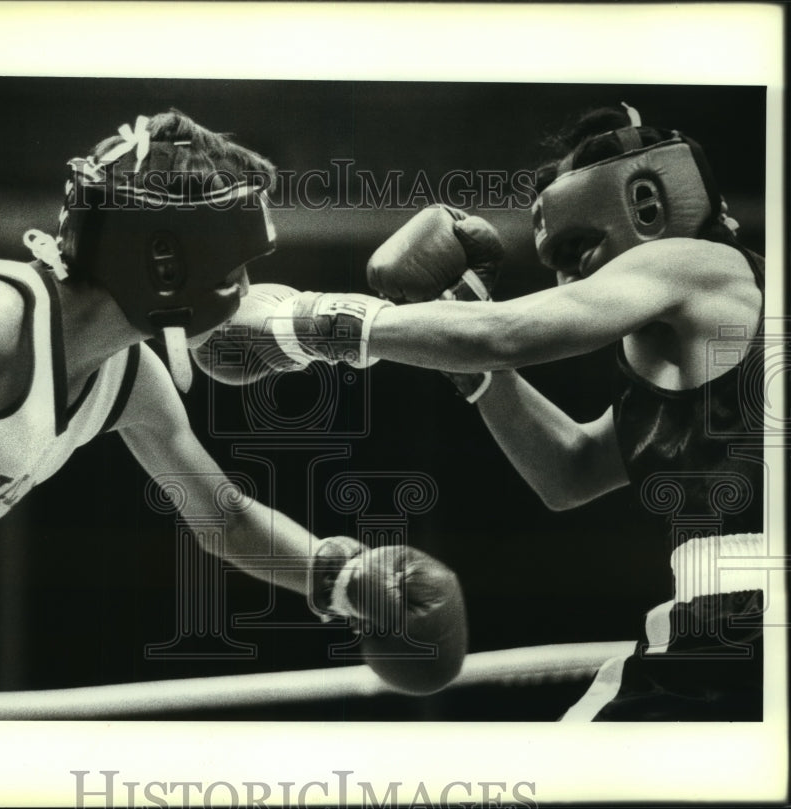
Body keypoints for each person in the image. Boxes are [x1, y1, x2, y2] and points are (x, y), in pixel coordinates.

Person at [0, 111, 467, 720]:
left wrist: (344, 577)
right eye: (236, 266)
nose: (245, 292)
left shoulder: (129, 380)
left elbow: (222, 516)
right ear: (169, 263)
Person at [200, 104, 766, 720]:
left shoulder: (697, 261)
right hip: (716, 627)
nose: (575, 275)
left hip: (749, 623)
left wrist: (303, 324)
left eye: (581, 247)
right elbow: (569, 471)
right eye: (563, 259)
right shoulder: (692, 359)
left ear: (647, 205)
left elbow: (503, 333)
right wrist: (468, 363)